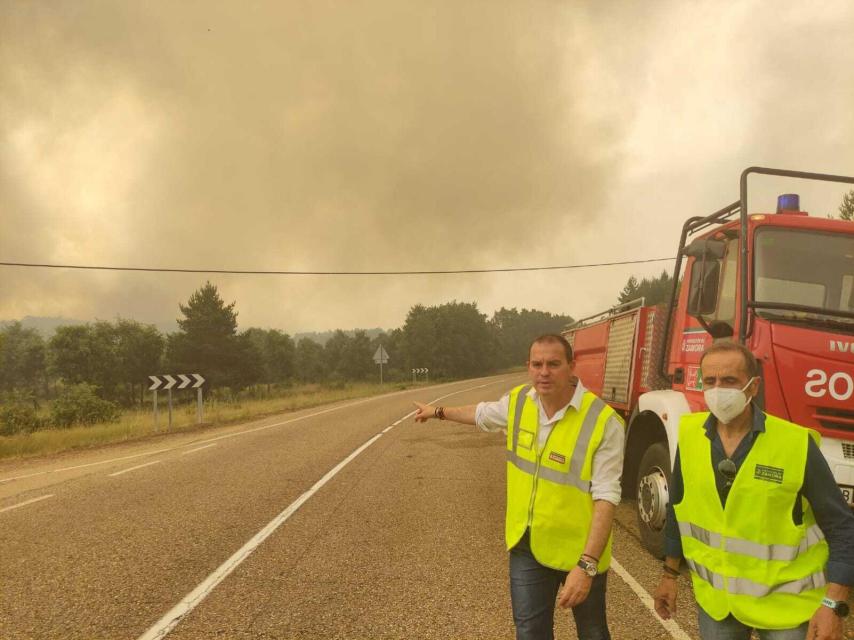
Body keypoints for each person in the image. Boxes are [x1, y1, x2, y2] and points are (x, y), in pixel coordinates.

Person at [414, 334, 625, 640]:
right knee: (529, 632)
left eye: (553, 364)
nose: (544, 372)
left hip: (579, 550)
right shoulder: (518, 403)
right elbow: (481, 414)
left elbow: (607, 497)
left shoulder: (603, 422)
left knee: (593, 633)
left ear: (571, 366)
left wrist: (587, 565)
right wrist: (437, 412)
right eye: (537, 364)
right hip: (527, 543)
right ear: (528, 367)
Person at [653, 340, 854, 640]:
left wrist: (832, 604)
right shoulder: (690, 435)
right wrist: (669, 575)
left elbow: (842, 527)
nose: (718, 390)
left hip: (787, 609)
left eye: (730, 381)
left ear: (753, 386)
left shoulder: (796, 445)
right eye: (710, 381)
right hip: (719, 606)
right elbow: (678, 511)